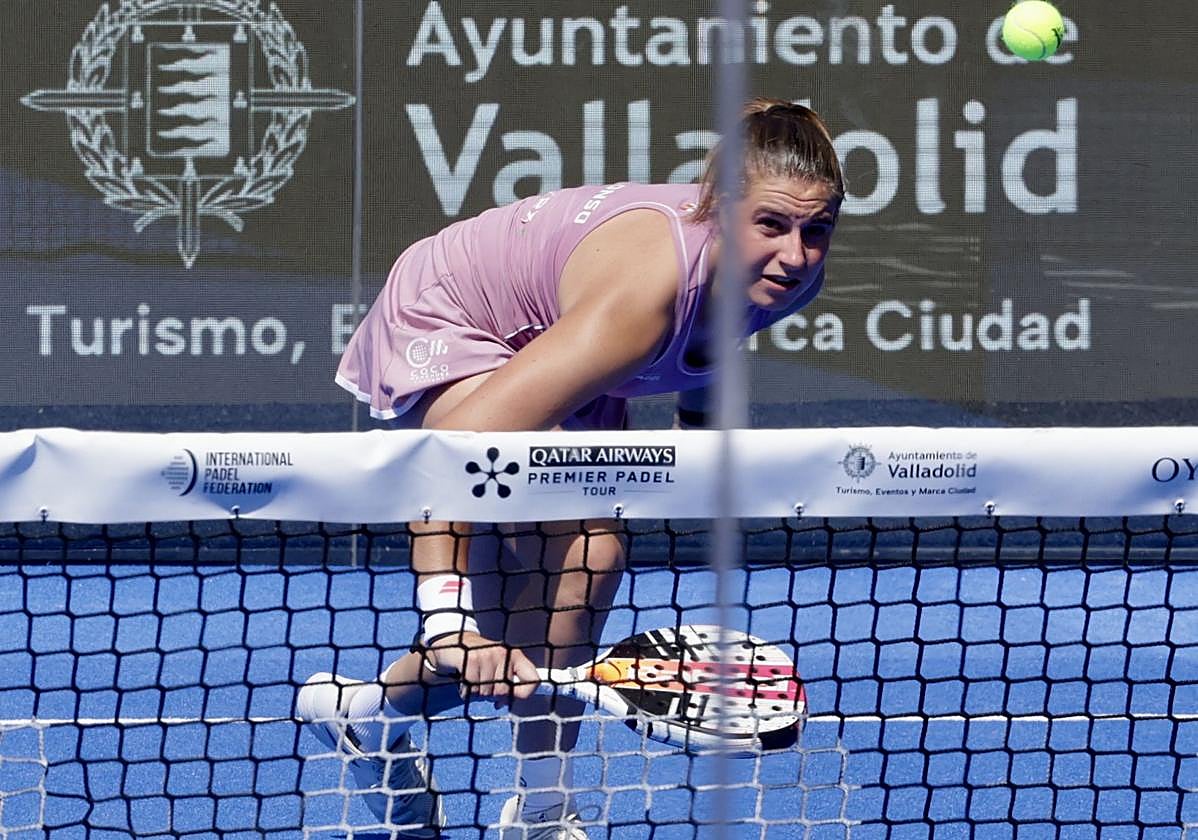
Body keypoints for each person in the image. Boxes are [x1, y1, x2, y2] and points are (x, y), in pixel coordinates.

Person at [295, 97, 844, 839]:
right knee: (590, 546)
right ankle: (547, 810)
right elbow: (448, 455)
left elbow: (713, 345)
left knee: (523, 628)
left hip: (561, 341)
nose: (796, 253)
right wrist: (445, 618)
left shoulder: (787, 276)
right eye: (772, 225)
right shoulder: (635, 304)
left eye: (817, 231)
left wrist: (697, 441)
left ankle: (362, 714)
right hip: (463, 313)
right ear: (719, 210)